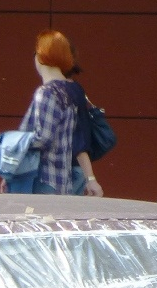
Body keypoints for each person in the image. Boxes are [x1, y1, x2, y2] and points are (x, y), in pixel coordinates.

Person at [16, 30, 102, 197]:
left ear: (42, 57)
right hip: (62, 180)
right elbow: (78, 139)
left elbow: (42, 138)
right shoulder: (69, 91)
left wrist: (11, 143)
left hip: (42, 178)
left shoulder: (47, 92)